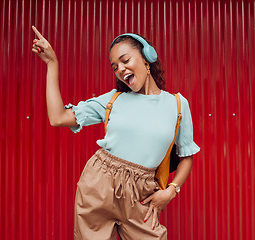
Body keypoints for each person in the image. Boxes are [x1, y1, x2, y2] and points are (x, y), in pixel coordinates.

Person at [31, 26, 200, 240]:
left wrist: (171, 191)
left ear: (147, 58)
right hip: (99, 185)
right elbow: (58, 118)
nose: (120, 69)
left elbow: (186, 156)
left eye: (125, 60)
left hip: (141, 194)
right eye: (115, 66)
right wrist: (52, 64)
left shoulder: (177, 104)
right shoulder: (114, 99)